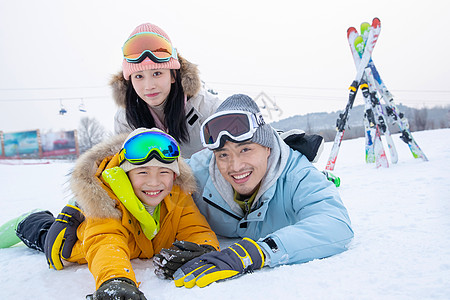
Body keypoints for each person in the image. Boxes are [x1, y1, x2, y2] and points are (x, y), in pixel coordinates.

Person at [1, 128, 219, 299]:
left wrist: (203, 248)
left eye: (164, 171)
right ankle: (27, 221)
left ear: (174, 175)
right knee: (49, 239)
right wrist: (115, 279)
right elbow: (106, 242)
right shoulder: (107, 198)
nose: (154, 182)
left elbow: (195, 228)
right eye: (143, 172)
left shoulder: (178, 193)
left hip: (132, 244)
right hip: (72, 240)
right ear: (125, 174)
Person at [166, 94, 354, 288]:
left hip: (301, 184)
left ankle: (327, 177)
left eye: (245, 149)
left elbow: (336, 224)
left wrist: (259, 252)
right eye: (223, 155)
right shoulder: (198, 173)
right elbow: (152, 184)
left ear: (268, 148)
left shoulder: (298, 174)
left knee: (322, 182)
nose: (235, 166)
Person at [111, 22, 222, 157]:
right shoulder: (125, 120)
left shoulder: (205, 108)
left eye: (157, 73)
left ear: (173, 76)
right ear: (130, 81)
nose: (149, 86)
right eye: (139, 76)